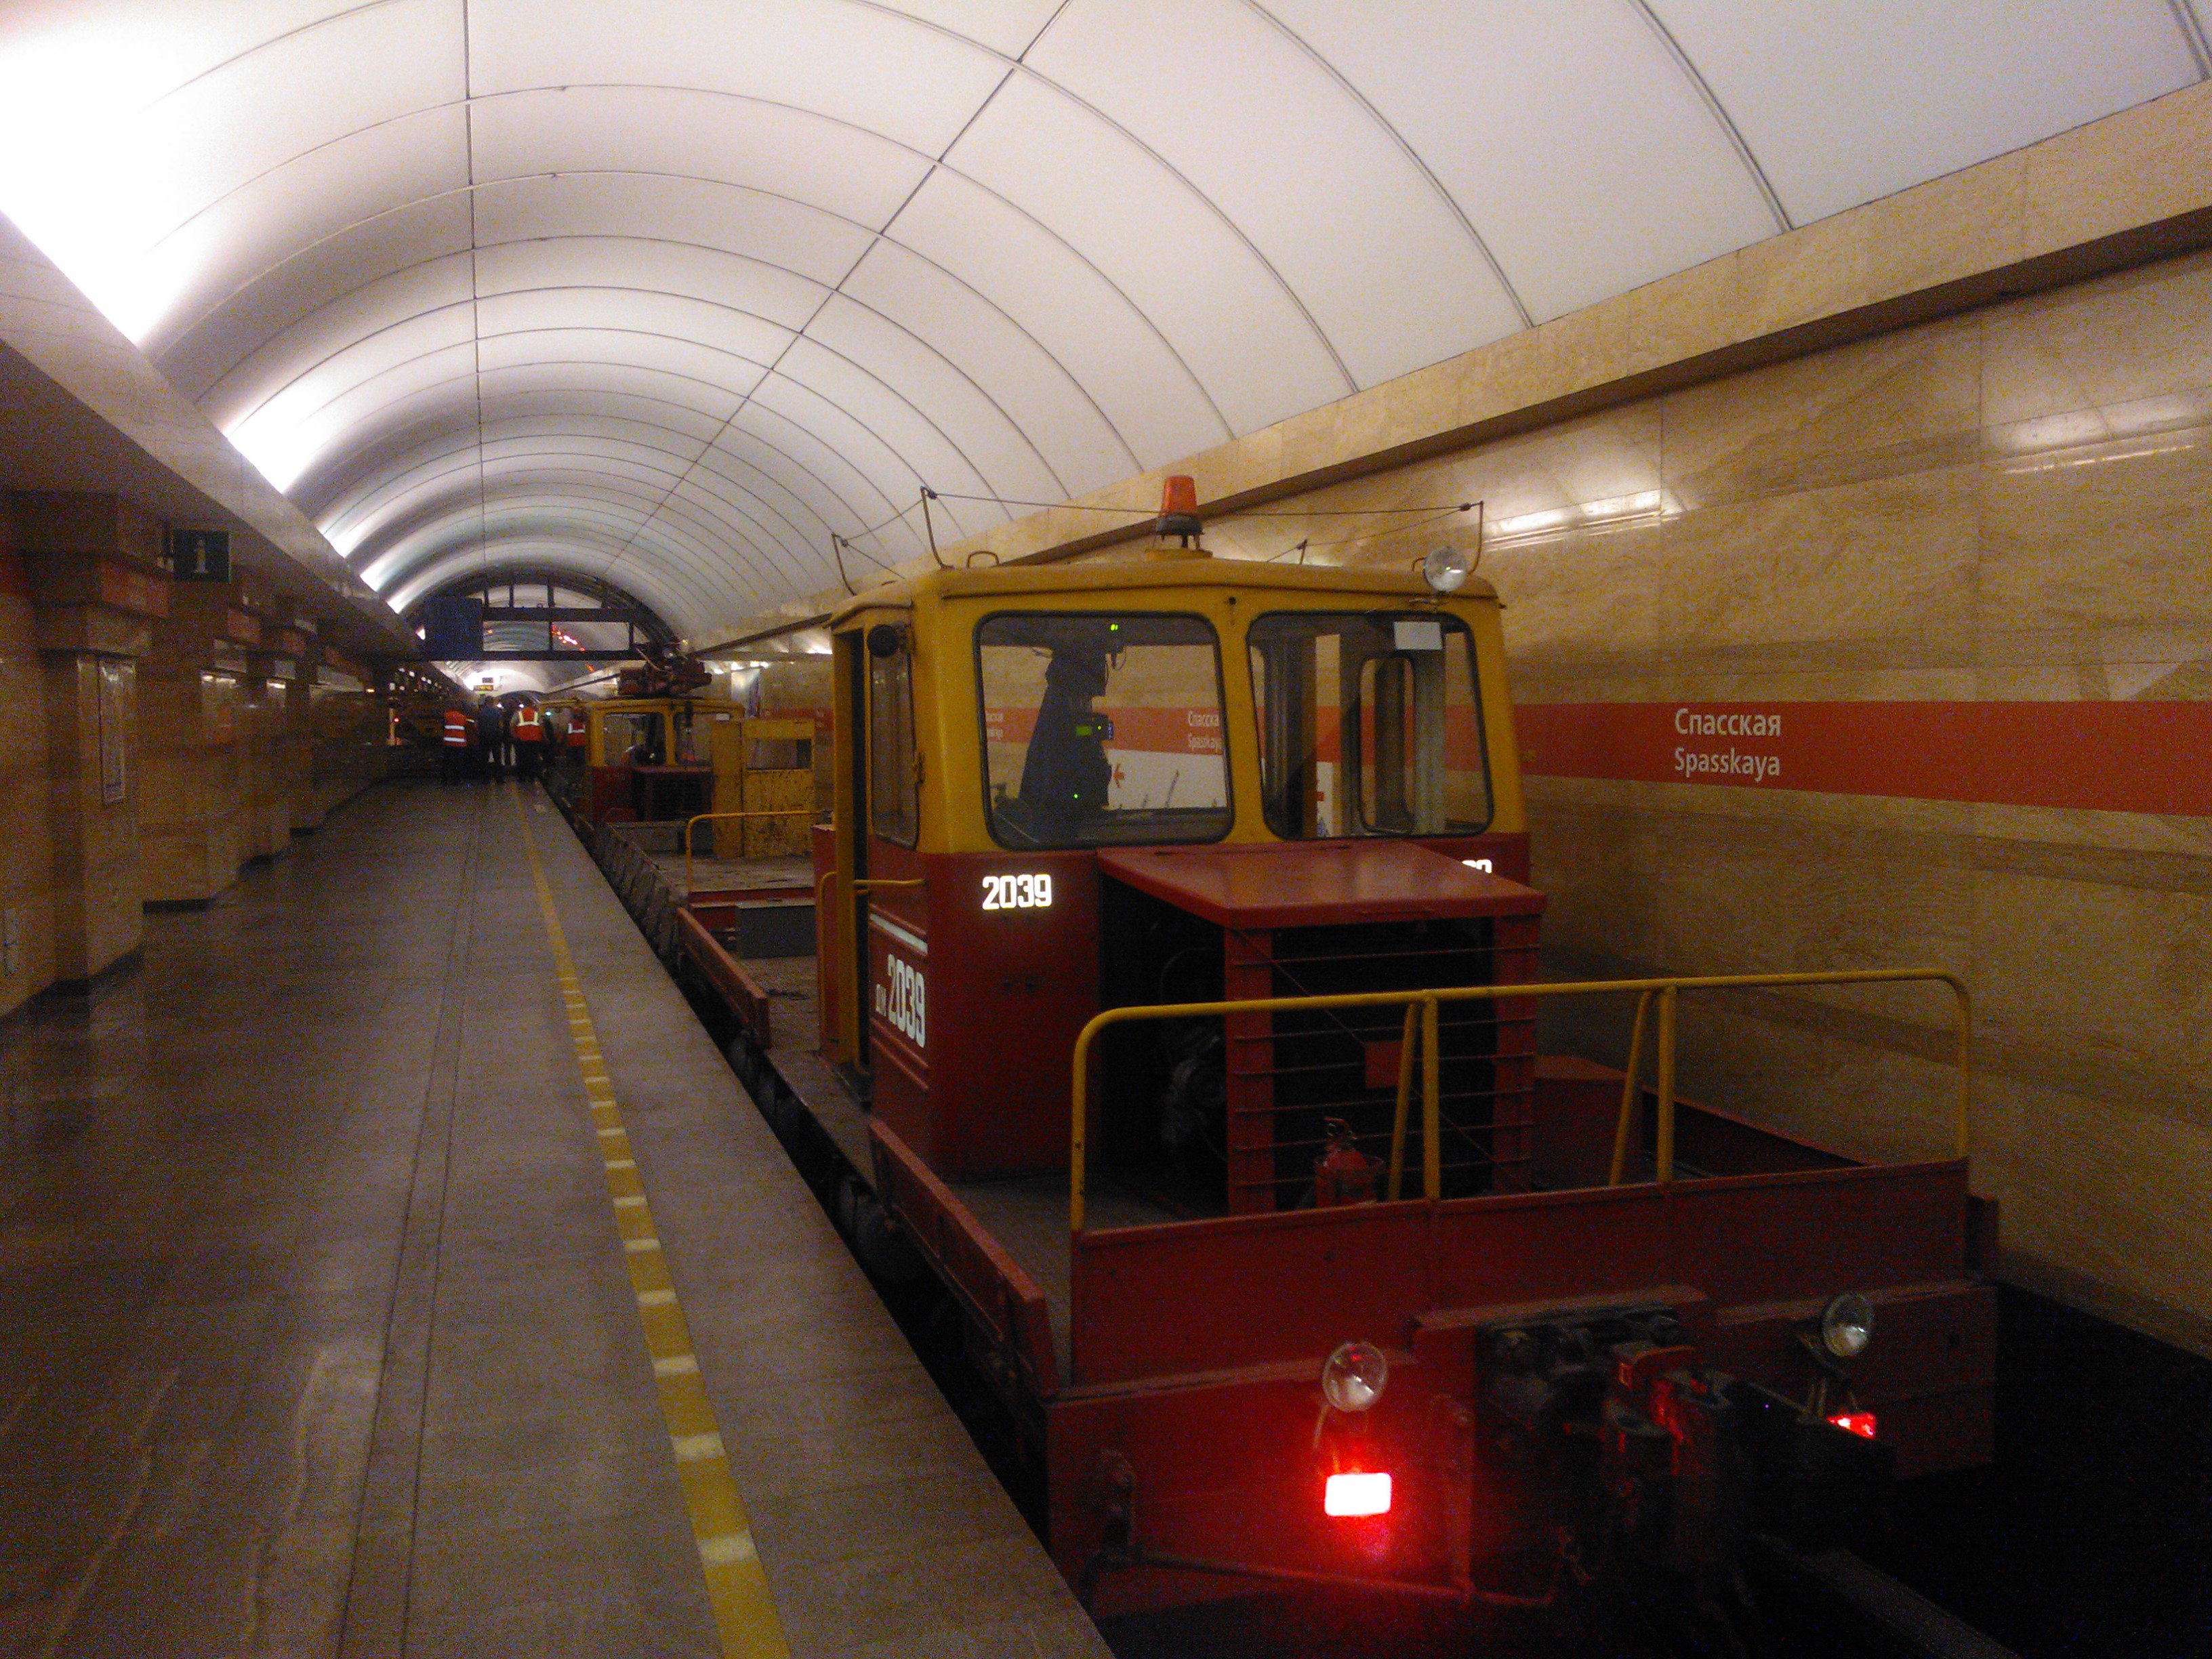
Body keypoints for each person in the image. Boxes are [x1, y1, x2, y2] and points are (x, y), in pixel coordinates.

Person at [511, 698, 545, 780]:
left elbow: (512, 725)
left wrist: (514, 736)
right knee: (533, 758)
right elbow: (541, 726)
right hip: (534, 739)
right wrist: (545, 737)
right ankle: (532, 776)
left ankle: (521, 776)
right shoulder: (536, 714)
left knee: (521, 758)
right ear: (531, 704)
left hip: (521, 739)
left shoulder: (518, 714)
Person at [475, 696, 508, 779]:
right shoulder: (497, 712)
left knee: (484, 758)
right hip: (495, 737)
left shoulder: (481, 712)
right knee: (497, 757)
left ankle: (485, 778)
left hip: (484, 737)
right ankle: (499, 778)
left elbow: (476, 725)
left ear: (485, 703)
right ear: (492, 703)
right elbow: (501, 725)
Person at [441, 705, 472, 783]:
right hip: (460, 743)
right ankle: (456, 780)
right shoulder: (463, 717)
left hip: (448, 742)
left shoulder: (446, 716)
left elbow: (442, 727)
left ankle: (445, 780)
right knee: (458, 762)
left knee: (447, 761)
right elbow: (467, 727)